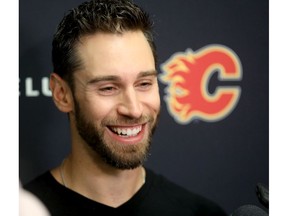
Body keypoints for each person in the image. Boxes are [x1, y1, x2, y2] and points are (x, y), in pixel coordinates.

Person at [24, 0, 227, 215]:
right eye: (109, 88)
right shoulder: (21, 210)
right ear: (62, 94)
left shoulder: (200, 213)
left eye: (144, 84)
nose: (134, 109)